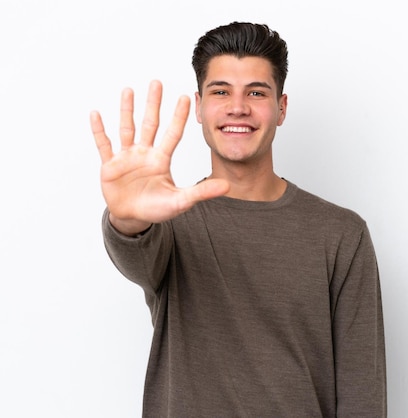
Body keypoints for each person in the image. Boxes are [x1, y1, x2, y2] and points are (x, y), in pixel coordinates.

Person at [90, 22, 386, 417]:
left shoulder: (341, 234)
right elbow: (134, 248)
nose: (237, 107)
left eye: (256, 92)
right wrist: (127, 218)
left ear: (281, 108)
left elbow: (362, 392)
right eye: (220, 91)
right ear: (199, 107)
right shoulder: (170, 223)